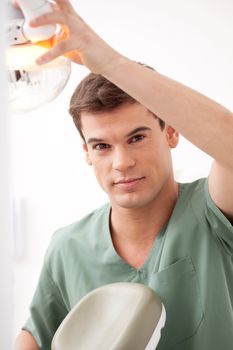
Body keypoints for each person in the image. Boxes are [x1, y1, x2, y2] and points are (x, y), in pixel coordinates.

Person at [14, 1, 233, 349]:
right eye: (102, 146)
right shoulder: (68, 247)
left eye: (137, 138)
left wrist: (111, 62)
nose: (121, 162)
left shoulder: (213, 213)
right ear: (86, 152)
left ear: (171, 133)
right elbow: (34, 336)